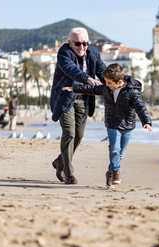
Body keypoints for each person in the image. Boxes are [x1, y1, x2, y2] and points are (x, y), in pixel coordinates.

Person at [63, 63, 152, 188]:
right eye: (106, 82)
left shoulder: (132, 92)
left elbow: (140, 107)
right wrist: (74, 88)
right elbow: (91, 89)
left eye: (109, 83)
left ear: (119, 82)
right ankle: (116, 172)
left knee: (121, 152)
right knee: (114, 149)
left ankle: (109, 172)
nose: (107, 85)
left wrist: (146, 121)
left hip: (128, 125)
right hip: (112, 123)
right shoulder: (106, 88)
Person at [50, 27, 107, 185]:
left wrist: (118, 82)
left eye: (85, 43)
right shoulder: (64, 53)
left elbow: (103, 71)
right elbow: (71, 70)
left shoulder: (93, 52)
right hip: (65, 99)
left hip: (84, 99)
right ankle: (68, 173)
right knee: (69, 133)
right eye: (78, 44)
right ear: (69, 42)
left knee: (79, 135)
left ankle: (59, 162)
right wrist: (88, 79)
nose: (82, 47)